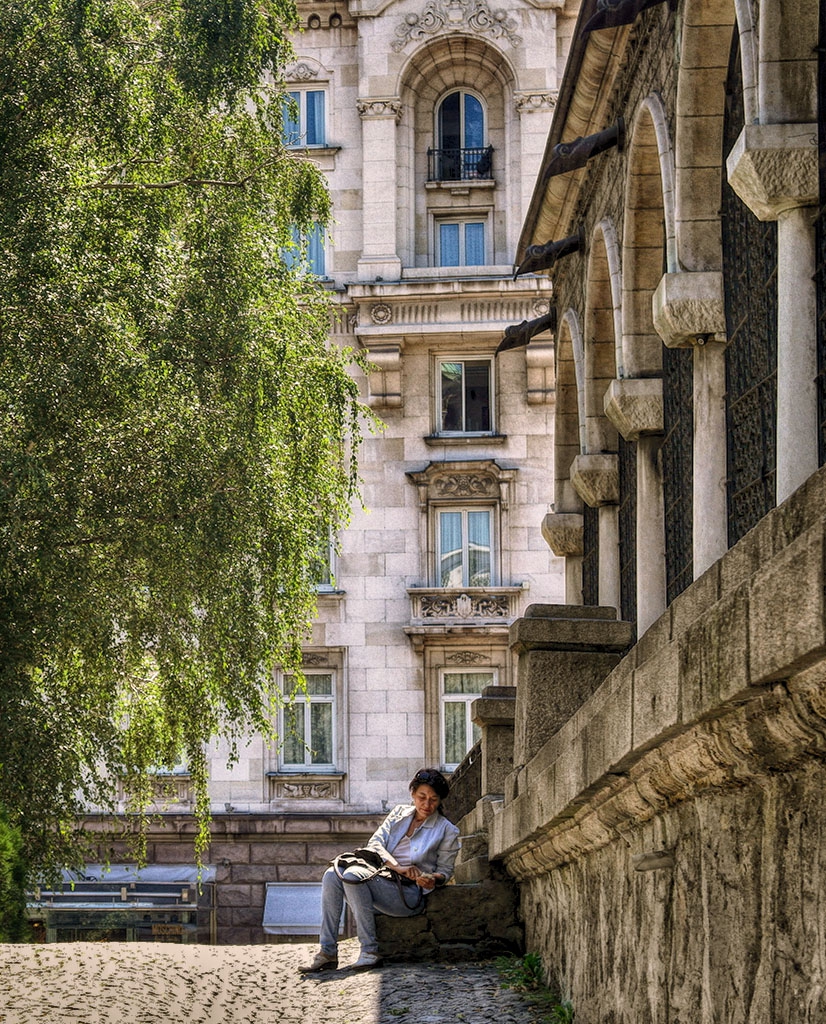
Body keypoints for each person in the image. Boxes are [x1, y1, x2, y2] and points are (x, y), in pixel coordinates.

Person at [300, 767, 460, 973]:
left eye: (433, 799)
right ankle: (327, 951)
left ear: (440, 801)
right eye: (422, 797)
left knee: (351, 876)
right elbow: (375, 844)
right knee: (332, 874)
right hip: (382, 879)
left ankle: (369, 951)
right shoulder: (399, 813)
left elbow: (446, 871)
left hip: (409, 895)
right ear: (413, 793)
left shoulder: (446, 829)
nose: (427, 804)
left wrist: (432, 879)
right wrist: (399, 867)